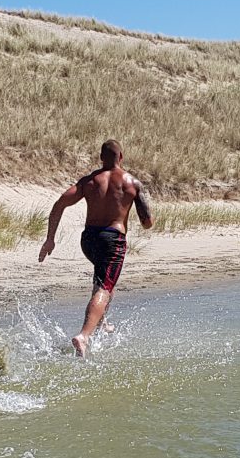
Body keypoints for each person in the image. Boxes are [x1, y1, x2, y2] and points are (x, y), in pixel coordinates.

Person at [37, 139, 154, 356]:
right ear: (121, 157)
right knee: (105, 288)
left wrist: (50, 239)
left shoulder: (89, 181)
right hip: (113, 240)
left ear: (101, 158)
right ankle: (84, 335)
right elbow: (147, 223)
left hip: (89, 240)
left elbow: (60, 204)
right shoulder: (132, 183)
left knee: (104, 278)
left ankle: (101, 321)